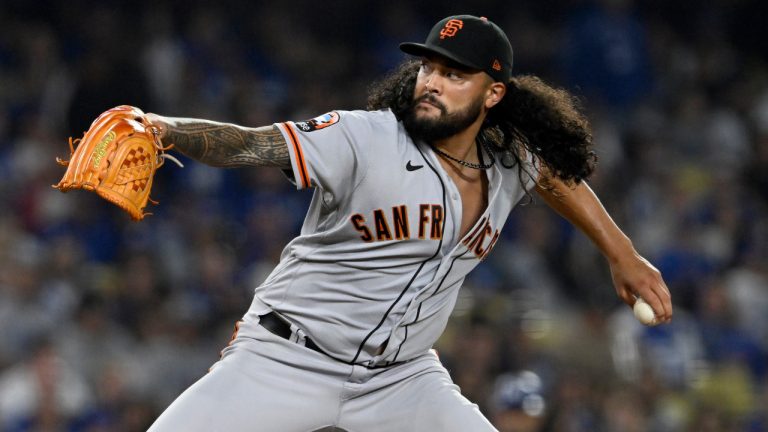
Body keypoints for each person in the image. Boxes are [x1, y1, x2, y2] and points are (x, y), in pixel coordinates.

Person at [143, 14, 672, 432]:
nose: (432, 83)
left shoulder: (508, 160)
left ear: (493, 93)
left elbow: (556, 177)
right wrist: (163, 129)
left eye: (454, 74)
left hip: (401, 378)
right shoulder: (363, 137)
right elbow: (250, 144)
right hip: (287, 358)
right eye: (428, 69)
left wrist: (622, 254)